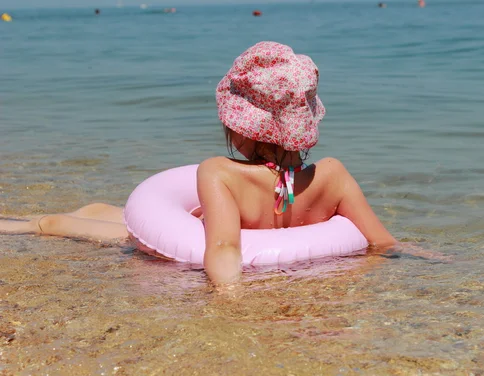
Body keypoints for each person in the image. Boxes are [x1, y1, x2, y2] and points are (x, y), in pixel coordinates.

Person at [0, 42, 447, 286]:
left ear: (240, 126)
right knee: (102, 208)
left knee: (68, 223)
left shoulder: (219, 173)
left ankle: (20, 225)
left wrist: (229, 301)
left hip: (177, 244)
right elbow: (383, 243)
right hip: (222, 228)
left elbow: (224, 249)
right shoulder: (333, 175)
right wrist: (436, 260)